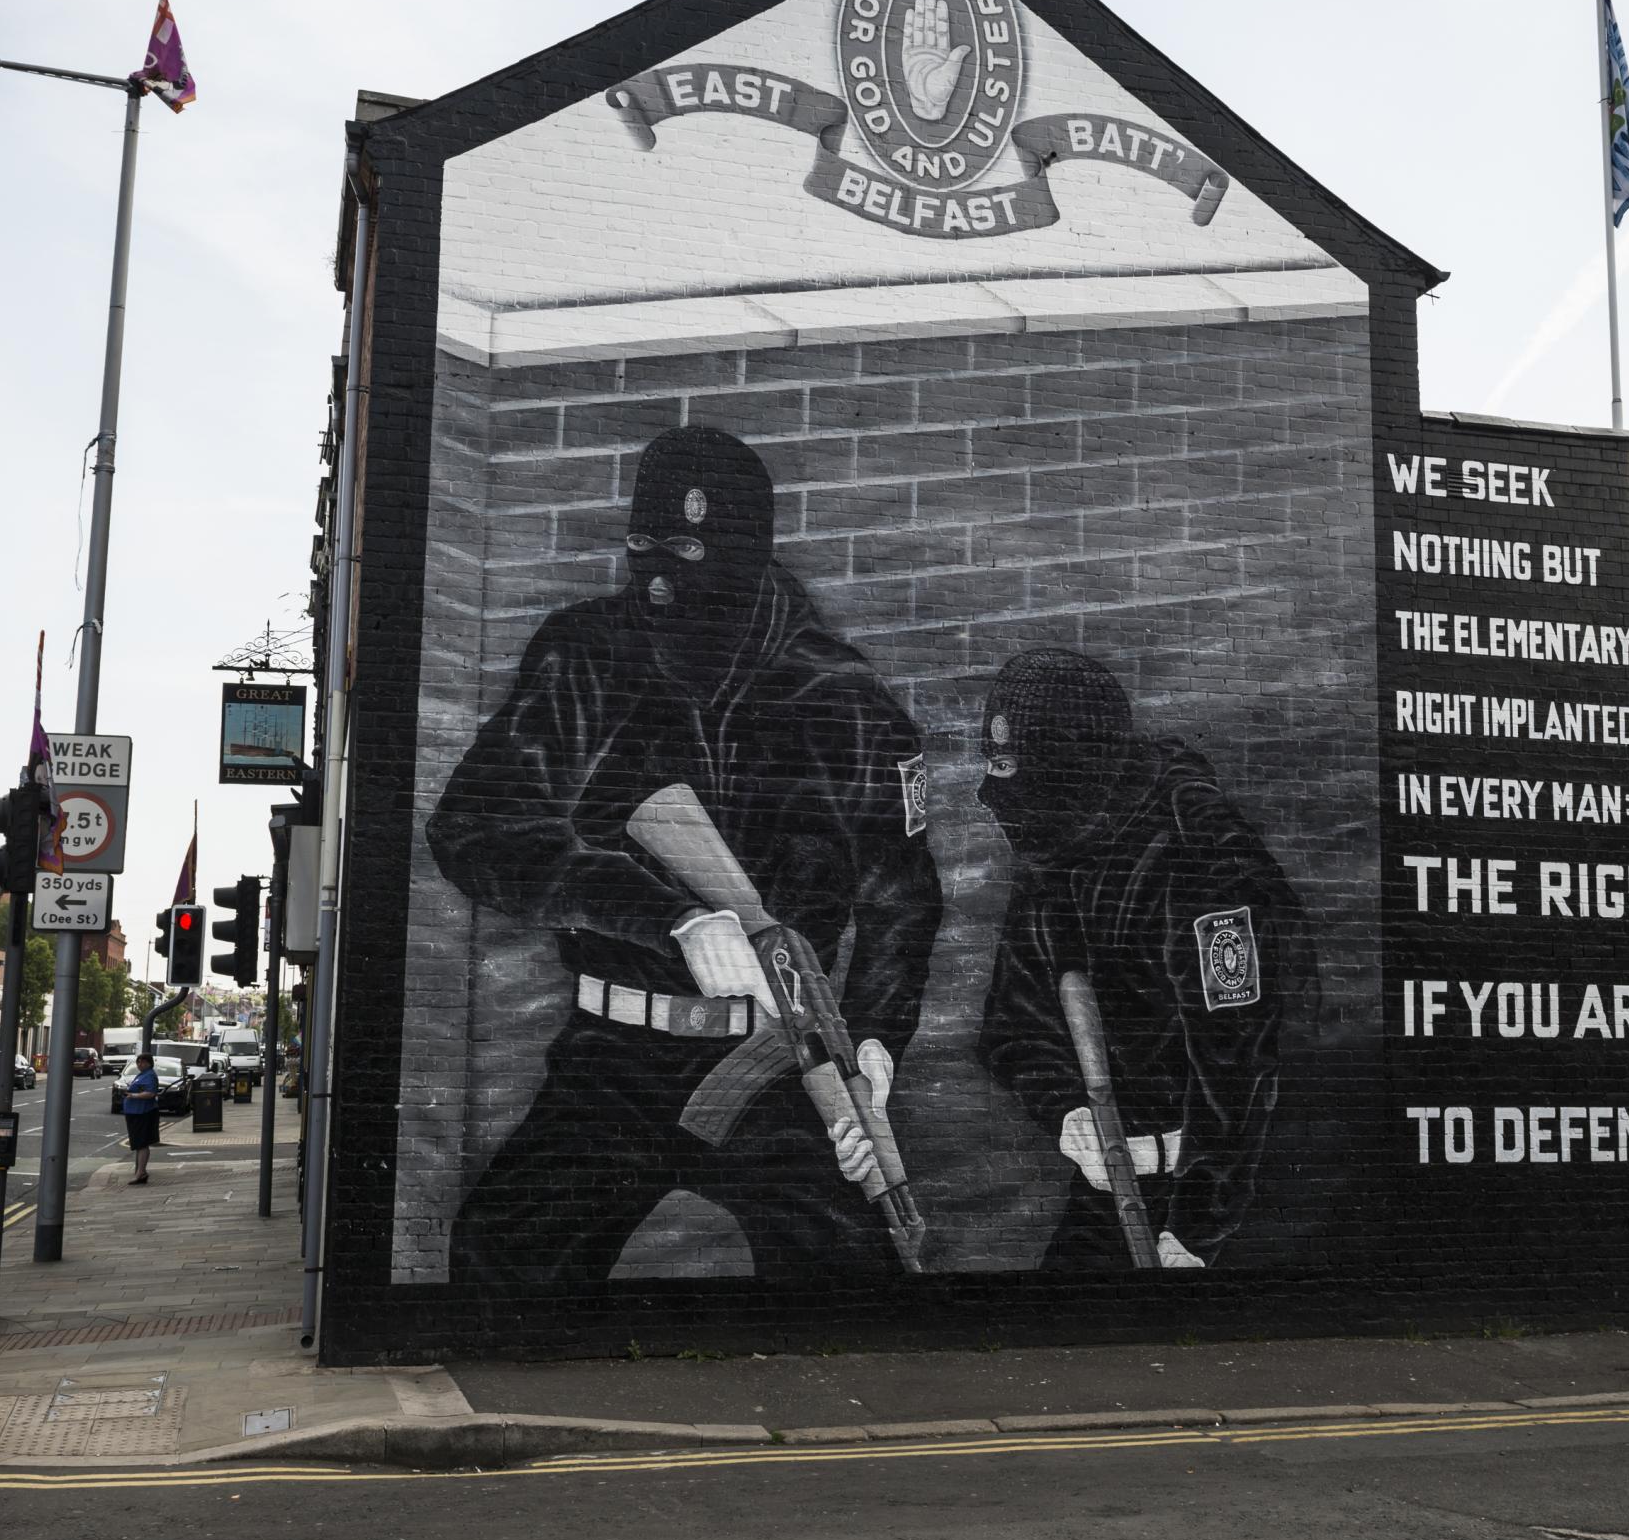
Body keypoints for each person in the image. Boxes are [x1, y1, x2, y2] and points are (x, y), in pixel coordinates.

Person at [428, 424, 943, 1287]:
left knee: (859, 1276)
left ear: (746, 550)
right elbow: (473, 831)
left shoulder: (845, 701)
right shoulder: (587, 656)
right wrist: (670, 917)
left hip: (783, 1057)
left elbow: (903, 899)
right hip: (610, 1059)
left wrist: (876, 1044)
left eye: (689, 550)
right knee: (499, 1259)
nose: (659, 576)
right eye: (642, 547)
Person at [973, 649, 1314, 1271]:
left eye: (1010, 765)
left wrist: (1196, 1230)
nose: (990, 793)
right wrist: (1068, 1110)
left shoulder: (1200, 863)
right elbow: (1012, 1024)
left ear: (1065, 765)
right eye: (994, 764)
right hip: (1122, 1180)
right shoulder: (1056, 850)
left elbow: (1239, 1061)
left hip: (1230, 1192)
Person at [123, 1050, 163, 1183]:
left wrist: (133, 1095)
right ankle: (142, 1172)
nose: (139, 1064)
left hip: (143, 1113)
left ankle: (140, 1173)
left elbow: (151, 1093)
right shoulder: (143, 1075)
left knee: (142, 1143)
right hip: (135, 1112)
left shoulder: (150, 1075)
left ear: (148, 1063)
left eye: (142, 1062)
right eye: (138, 1062)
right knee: (139, 1143)